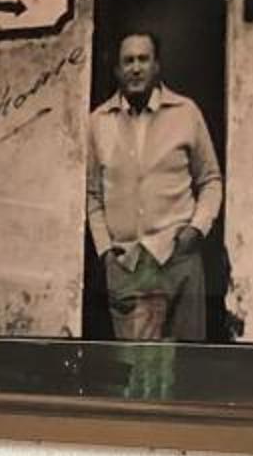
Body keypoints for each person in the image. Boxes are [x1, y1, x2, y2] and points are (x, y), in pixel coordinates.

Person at [85, 31, 225, 342]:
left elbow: (211, 180)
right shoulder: (98, 122)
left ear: (157, 66)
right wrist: (106, 252)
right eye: (128, 61)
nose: (136, 68)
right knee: (139, 366)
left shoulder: (186, 113)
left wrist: (196, 230)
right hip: (127, 266)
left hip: (179, 259)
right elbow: (92, 195)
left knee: (186, 359)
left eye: (143, 59)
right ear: (117, 70)